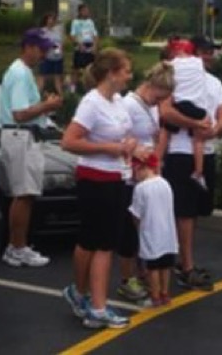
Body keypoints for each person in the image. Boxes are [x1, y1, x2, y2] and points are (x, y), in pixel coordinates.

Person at [61, 48, 135, 329]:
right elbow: (69, 141)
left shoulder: (117, 101)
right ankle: (98, 307)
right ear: (112, 73)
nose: (129, 76)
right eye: (126, 71)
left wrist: (130, 146)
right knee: (102, 244)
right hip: (95, 178)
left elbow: (123, 134)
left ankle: (80, 293)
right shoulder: (91, 103)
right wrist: (108, 148)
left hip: (116, 176)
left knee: (94, 241)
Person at [161, 35, 222, 290]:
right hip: (181, 151)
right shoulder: (175, 77)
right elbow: (166, 112)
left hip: (206, 150)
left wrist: (214, 130)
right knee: (184, 212)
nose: (208, 56)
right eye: (204, 51)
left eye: (211, 51)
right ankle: (186, 266)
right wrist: (195, 124)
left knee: (197, 210)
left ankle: (185, 259)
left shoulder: (214, 83)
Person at [0, 28, 63, 267]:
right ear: (28, 47)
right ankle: (17, 247)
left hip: (24, 135)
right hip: (20, 135)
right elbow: (19, 113)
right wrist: (47, 106)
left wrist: (44, 108)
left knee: (26, 194)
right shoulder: (19, 73)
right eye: (41, 49)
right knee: (23, 194)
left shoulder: (22, 72)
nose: (44, 54)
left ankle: (17, 245)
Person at [117, 62, 176, 301]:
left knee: (146, 228)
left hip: (146, 175)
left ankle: (143, 270)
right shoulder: (129, 105)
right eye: (159, 97)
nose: (159, 103)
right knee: (129, 229)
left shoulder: (151, 108)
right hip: (131, 175)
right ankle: (126, 278)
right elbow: (120, 137)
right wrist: (135, 153)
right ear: (151, 86)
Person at [128, 153, 179, 308]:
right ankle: (165, 293)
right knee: (165, 266)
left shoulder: (141, 188)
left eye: (134, 170)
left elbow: (136, 213)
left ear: (141, 167)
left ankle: (155, 296)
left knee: (153, 267)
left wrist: (137, 225)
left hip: (151, 233)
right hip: (168, 233)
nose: (134, 175)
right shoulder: (165, 183)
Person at [162, 38, 210, 190]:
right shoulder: (198, 63)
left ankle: (157, 161)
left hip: (179, 104)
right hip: (196, 107)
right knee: (198, 139)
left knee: (165, 131)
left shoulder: (171, 65)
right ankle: (199, 171)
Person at [69, 4, 99, 90]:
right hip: (80, 46)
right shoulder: (75, 22)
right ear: (80, 11)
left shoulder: (90, 22)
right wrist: (79, 44)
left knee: (90, 68)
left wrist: (95, 46)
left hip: (90, 45)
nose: (87, 12)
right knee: (76, 69)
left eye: (87, 10)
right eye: (85, 10)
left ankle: (90, 88)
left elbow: (95, 35)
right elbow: (72, 35)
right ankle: (72, 89)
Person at [36, 11, 66, 96]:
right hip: (46, 57)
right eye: (50, 19)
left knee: (57, 78)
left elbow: (61, 42)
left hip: (58, 57)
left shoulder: (58, 30)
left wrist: (61, 49)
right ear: (46, 20)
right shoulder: (42, 31)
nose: (51, 21)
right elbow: (40, 44)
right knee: (42, 77)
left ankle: (61, 96)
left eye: (53, 19)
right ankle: (37, 95)